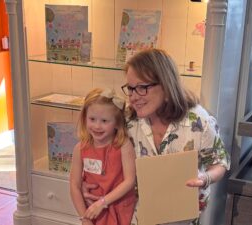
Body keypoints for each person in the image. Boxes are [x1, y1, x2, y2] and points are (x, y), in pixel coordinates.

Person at [83, 48, 230, 225]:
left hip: (181, 219)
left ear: (166, 85)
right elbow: (99, 153)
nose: (133, 97)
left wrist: (205, 179)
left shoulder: (199, 122)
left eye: (142, 88)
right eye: (130, 89)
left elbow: (219, 162)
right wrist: (89, 183)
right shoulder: (128, 122)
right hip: (135, 217)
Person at [70, 88, 137, 225]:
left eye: (105, 121)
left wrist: (103, 202)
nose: (97, 126)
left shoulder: (123, 146)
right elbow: (74, 185)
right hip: (93, 212)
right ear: (85, 118)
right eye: (92, 119)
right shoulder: (80, 149)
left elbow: (130, 181)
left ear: (117, 123)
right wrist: (84, 217)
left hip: (120, 209)